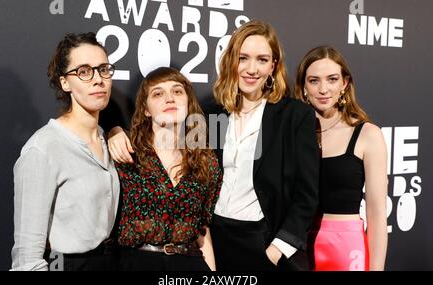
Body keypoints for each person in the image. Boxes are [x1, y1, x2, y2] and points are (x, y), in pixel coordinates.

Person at [208, 19, 319, 271]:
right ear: (231, 62)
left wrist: (277, 249)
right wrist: (115, 130)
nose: (251, 69)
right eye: (243, 58)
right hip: (216, 241)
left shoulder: (295, 116)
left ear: (273, 66)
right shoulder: (215, 115)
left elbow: (307, 193)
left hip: (261, 242)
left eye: (261, 59)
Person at [11, 32, 120, 271]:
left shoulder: (105, 138)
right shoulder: (43, 148)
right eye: (83, 71)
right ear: (64, 82)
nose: (98, 79)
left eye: (103, 69)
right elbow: (27, 257)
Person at [112, 67, 222, 271]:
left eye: (178, 91)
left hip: (190, 264)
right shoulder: (127, 154)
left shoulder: (207, 162)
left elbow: (202, 230)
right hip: (136, 263)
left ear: (188, 102)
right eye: (158, 93)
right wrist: (112, 131)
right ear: (146, 109)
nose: (170, 98)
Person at [294, 45, 388, 271]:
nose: (323, 89)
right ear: (304, 87)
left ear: (344, 84)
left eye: (332, 79)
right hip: (297, 245)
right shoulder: (294, 133)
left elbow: (376, 214)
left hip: (345, 249)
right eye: (314, 80)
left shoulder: (367, 134)